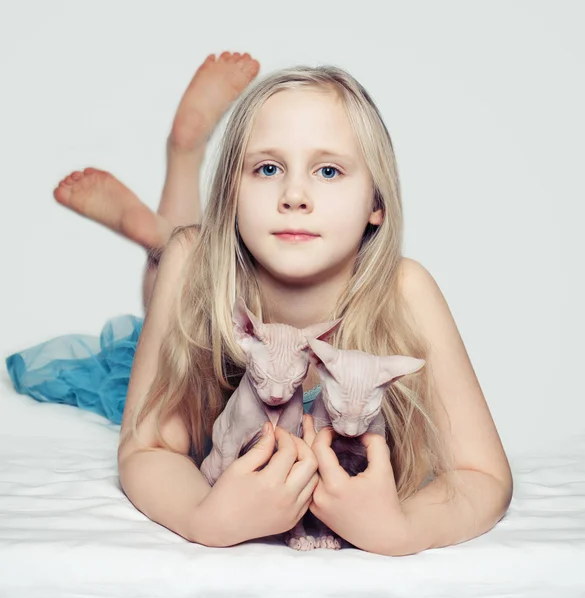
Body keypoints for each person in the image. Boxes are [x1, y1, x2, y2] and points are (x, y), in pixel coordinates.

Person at [6, 52, 513, 556]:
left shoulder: (407, 290)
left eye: (329, 171)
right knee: (179, 263)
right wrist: (203, 517)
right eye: (267, 168)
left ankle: (168, 203)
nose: (294, 194)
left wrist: (401, 529)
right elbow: (148, 448)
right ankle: (184, 157)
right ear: (231, 193)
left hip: (212, 269)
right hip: (207, 282)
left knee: (183, 259)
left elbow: (484, 476)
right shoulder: (198, 263)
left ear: (376, 203)